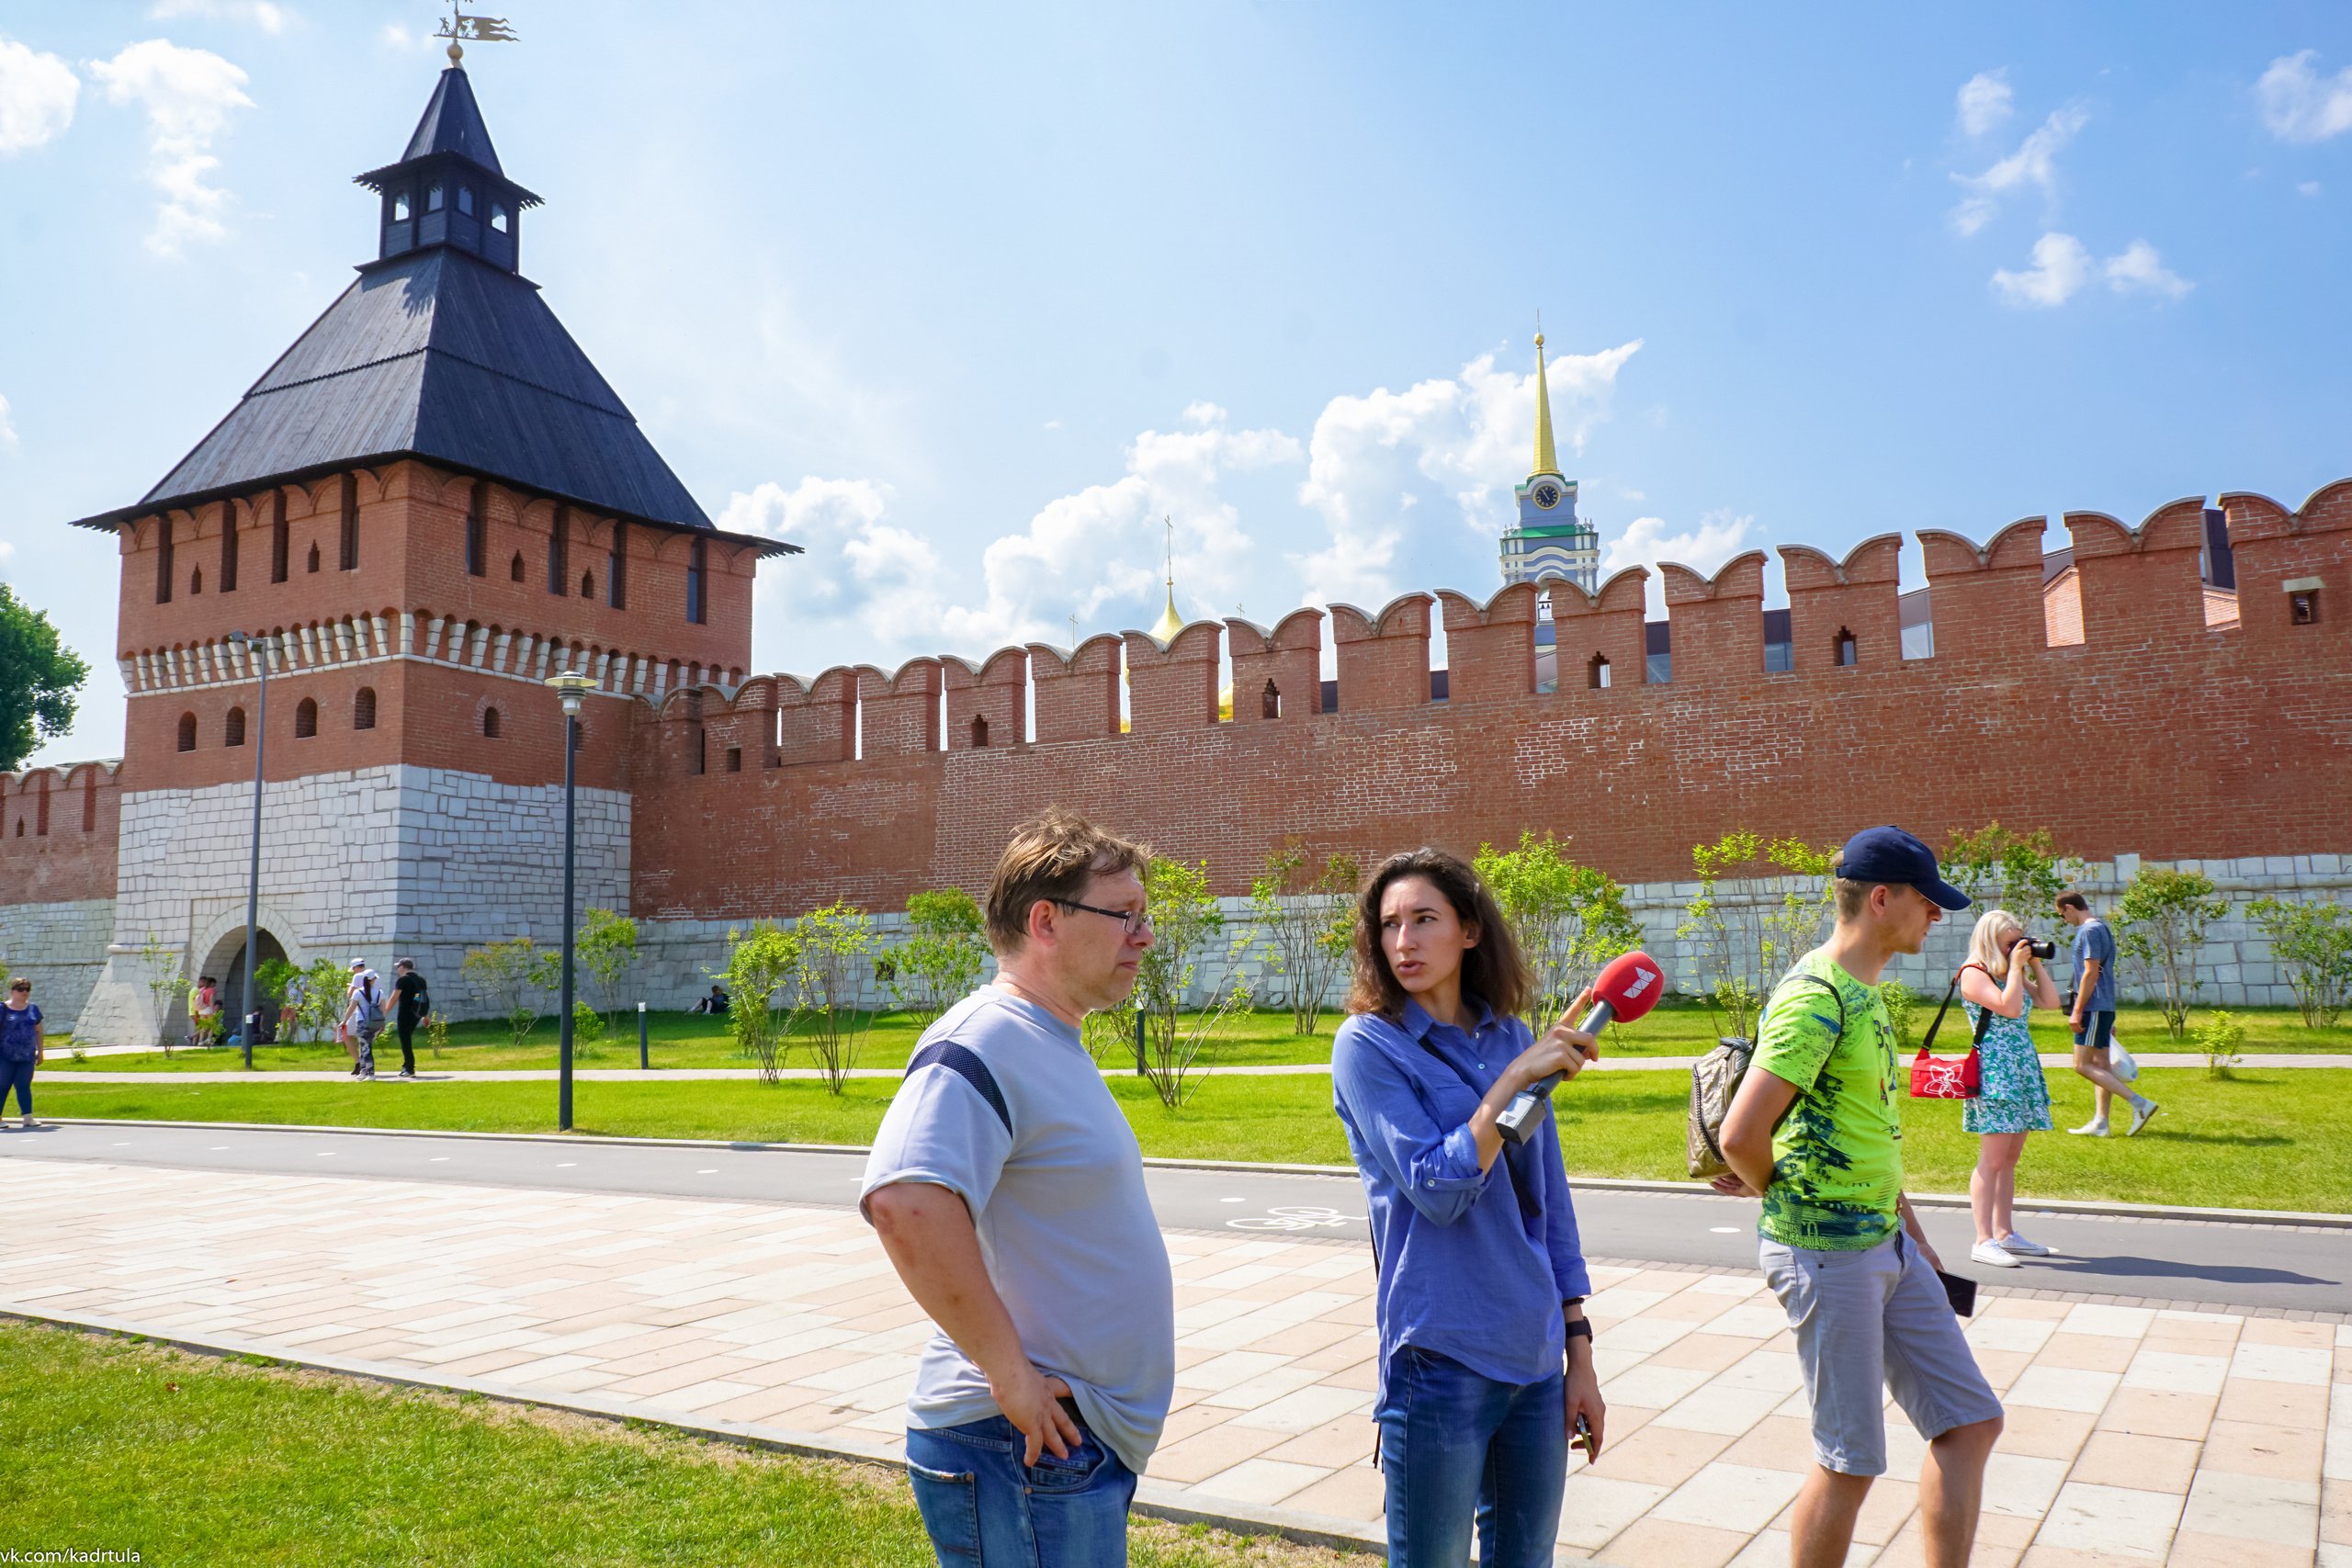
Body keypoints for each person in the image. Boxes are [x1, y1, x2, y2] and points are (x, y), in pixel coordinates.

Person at [860, 807, 1170, 1567]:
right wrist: (1011, 1378)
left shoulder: (1046, 1036)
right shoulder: (983, 1036)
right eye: (1125, 915)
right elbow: (906, 1202)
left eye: (1145, 915)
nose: (1145, 935)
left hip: (1055, 1447)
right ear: (1046, 920)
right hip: (1018, 1444)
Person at [1710, 826, 2004, 1568]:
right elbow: (1742, 1134)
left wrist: (1915, 1232)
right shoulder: (1815, 998)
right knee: (1850, 1458)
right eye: (1927, 902)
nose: (1937, 916)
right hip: (1825, 1253)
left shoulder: (1867, 992)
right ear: (1882, 899)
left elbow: (1868, 1129)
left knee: (1970, 1421)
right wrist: (1793, 1203)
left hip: (1889, 1243)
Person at [1330, 848, 1605, 1568]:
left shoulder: (1511, 1035)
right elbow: (1437, 1186)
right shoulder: (1368, 1046)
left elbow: (1550, 1203)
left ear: (1470, 931)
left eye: (1424, 919)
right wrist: (1516, 1077)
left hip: (1536, 1354)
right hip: (1438, 1354)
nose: (1403, 942)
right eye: (1389, 924)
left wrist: (1579, 1349)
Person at [1959, 910, 2061, 1269]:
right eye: (2011, 942)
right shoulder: (1974, 973)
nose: (2018, 946)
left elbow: (2051, 1003)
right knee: (1992, 1159)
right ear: (1991, 939)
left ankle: (2005, 1233)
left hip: (2021, 1069)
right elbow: (2011, 1008)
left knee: (2010, 1159)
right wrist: (2017, 968)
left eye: (2021, 939)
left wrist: (2035, 965)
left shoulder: (2007, 971)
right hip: (1996, 1073)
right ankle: (1983, 1239)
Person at [2056, 891, 2158, 1136]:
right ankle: (2101, 1123)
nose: (2064, 920)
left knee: (2081, 1065)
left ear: (2070, 907)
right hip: (2103, 1007)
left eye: (2062, 915)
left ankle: (2140, 1104)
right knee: (2101, 1064)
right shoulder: (2101, 927)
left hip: (2093, 1007)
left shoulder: (2089, 931)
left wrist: (2077, 1011)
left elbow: (2091, 973)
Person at [1, 977, 43, 1130]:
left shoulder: (33, 1009)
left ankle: (27, 1117)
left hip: (27, 1055)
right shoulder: (3, 1008)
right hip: (5, 1055)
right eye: (21, 989)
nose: (24, 992)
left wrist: (40, 1052)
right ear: (12, 991)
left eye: (27, 989)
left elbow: (38, 1030)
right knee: (2, 1085)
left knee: (24, 1085)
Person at [345, 959, 388, 1081]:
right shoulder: (380, 992)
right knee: (365, 1046)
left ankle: (371, 1072)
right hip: (375, 1022)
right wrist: (383, 1022)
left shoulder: (358, 992)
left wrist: (344, 1021)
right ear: (373, 979)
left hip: (362, 1021)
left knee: (365, 1047)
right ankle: (363, 1071)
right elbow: (383, 1009)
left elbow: (351, 1007)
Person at [392, 959, 430, 1079]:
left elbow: (394, 998)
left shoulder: (403, 980)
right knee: (407, 1040)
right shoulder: (420, 980)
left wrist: (385, 1012)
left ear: (402, 967)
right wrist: (425, 1015)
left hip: (404, 1014)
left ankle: (409, 1069)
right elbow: (420, 996)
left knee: (405, 1041)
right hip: (416, 1015)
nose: (398, 969)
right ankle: (406, 1066)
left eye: (398, 967)